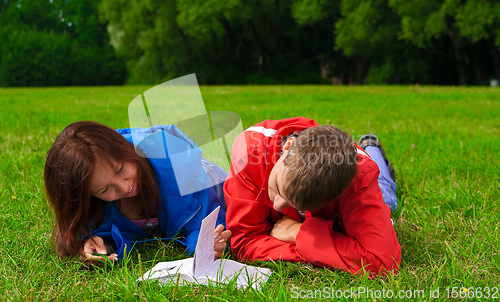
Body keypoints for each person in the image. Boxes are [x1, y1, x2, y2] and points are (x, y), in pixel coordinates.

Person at [223, 117, 400, 277]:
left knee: (387, 198)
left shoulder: (360, 179)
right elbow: (244, 241)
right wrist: (326, 249)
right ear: (288, 146)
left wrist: (299, 234)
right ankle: (372, 147)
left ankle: (372, 147)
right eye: (278, 186)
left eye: (299, 207)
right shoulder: (249, 151)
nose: (277, 206)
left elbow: (382, 264)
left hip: (369, 176)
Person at [44, 121, 231, 263]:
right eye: (105, 189)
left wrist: (205, 244)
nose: (125, 188)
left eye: (120, 169)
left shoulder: (180, 168)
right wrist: (102, 242)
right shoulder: (93, 205)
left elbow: (208, 219)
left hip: (215, 185)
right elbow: (110, 228)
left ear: (126, 149)